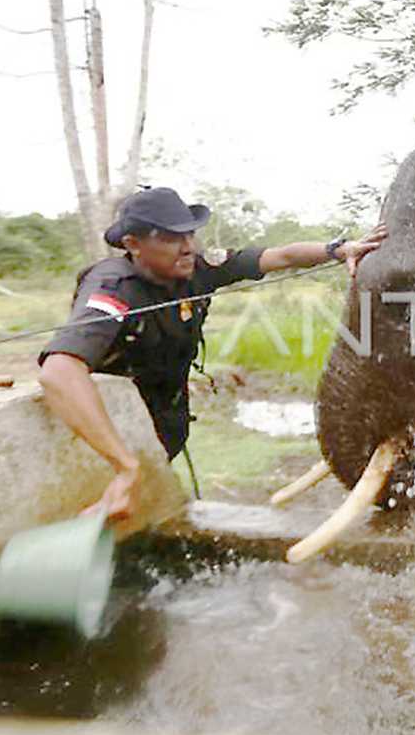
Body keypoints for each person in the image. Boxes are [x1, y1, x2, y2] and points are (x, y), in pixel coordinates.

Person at [37, 186, 385, 522]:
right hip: (107, 437)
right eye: (171, 237)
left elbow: (281, 256)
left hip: (164, 421)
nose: (188, 246)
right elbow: (59, 371)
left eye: (190, 234)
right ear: (133, 244)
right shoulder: (112, 288)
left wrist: (339, 250)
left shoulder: (197, 268)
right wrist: (124, 466)